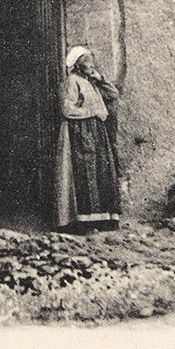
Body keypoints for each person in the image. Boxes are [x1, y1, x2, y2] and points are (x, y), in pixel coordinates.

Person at [55, 45, 121, 232]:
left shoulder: (92, 82)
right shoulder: (73, 81)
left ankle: (103, 219)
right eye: (86, 62)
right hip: (81, 132)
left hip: (97, 132)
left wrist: (100, 79)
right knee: (85, 173)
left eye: (92, 62)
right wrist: (93, 112)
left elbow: (113, 94)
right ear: (78, 64)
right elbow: (67, 109)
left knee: (101, 172)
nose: (91, 65)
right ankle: (84, 222)